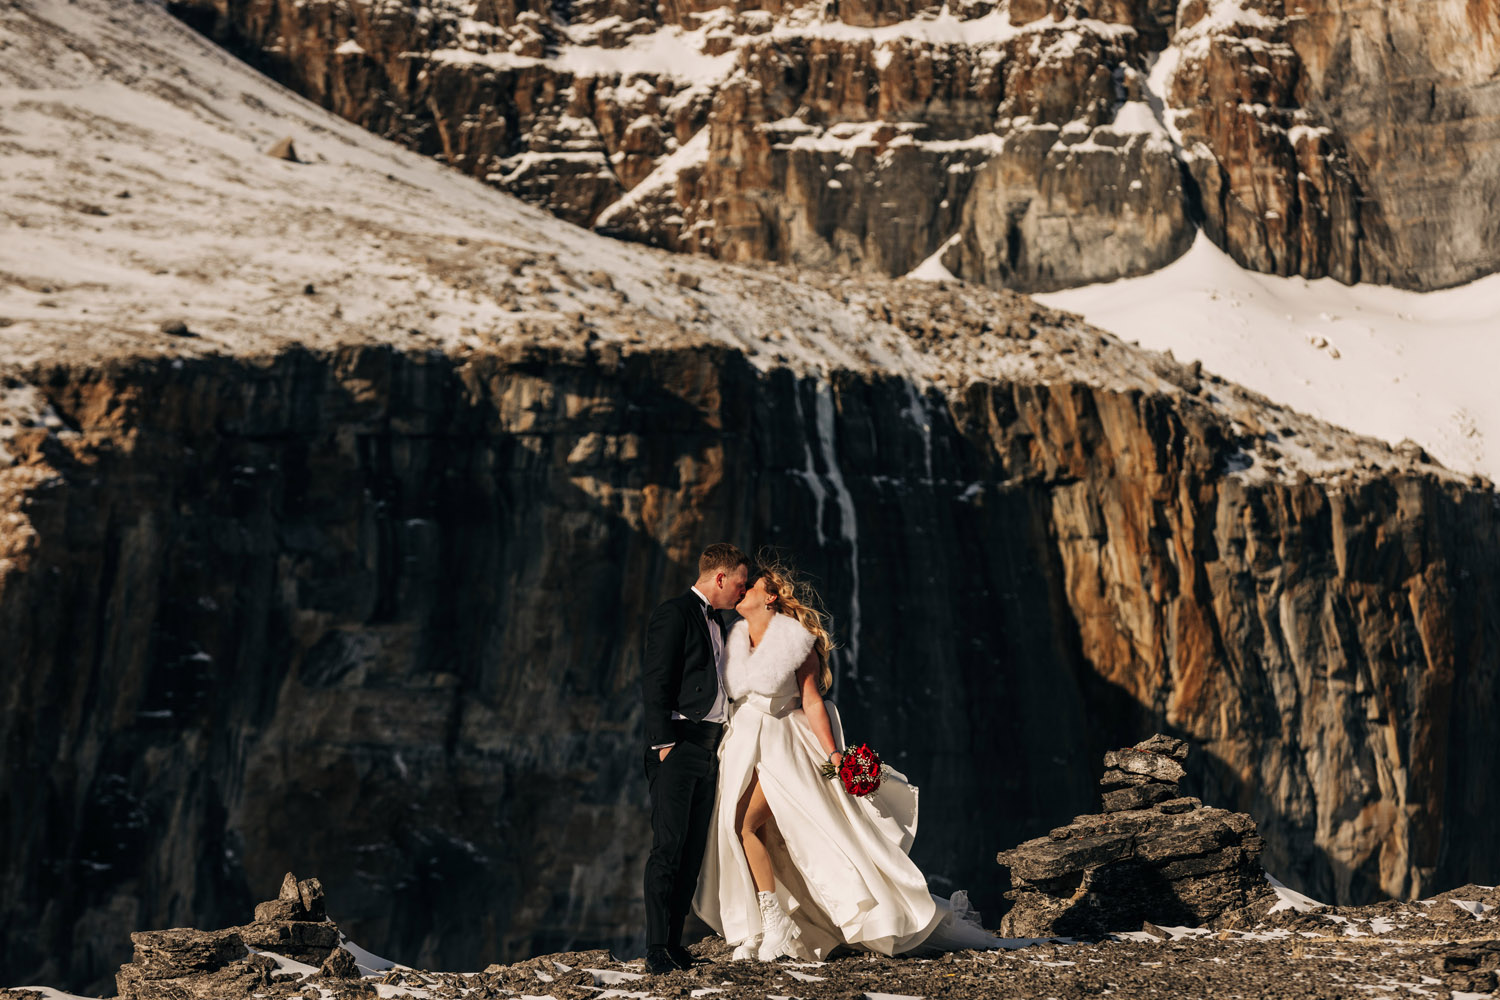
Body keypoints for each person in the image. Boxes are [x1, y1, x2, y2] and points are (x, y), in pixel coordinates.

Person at [693, 558, 997, 961]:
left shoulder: (794, 640)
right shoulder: (732, 636)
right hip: (740, 744)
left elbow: (812, 701)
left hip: (779, 744)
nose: (742, 589)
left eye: (751, 585)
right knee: (753, 833)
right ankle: (763, 926)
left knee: (745, 825)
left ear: (770, 597)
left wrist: (834, 754)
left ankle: (775, 922)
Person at [640, 543, 750, 975]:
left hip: (709, 747)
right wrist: (665, 745)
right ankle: (656, 948)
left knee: (691, 851)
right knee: (667, 847)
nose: (743, 592)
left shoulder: (719, 621)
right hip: (679, 744)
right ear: (720, 577)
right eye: (740, 583)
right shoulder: (674, 613)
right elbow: (655, 681)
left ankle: (674, 944)